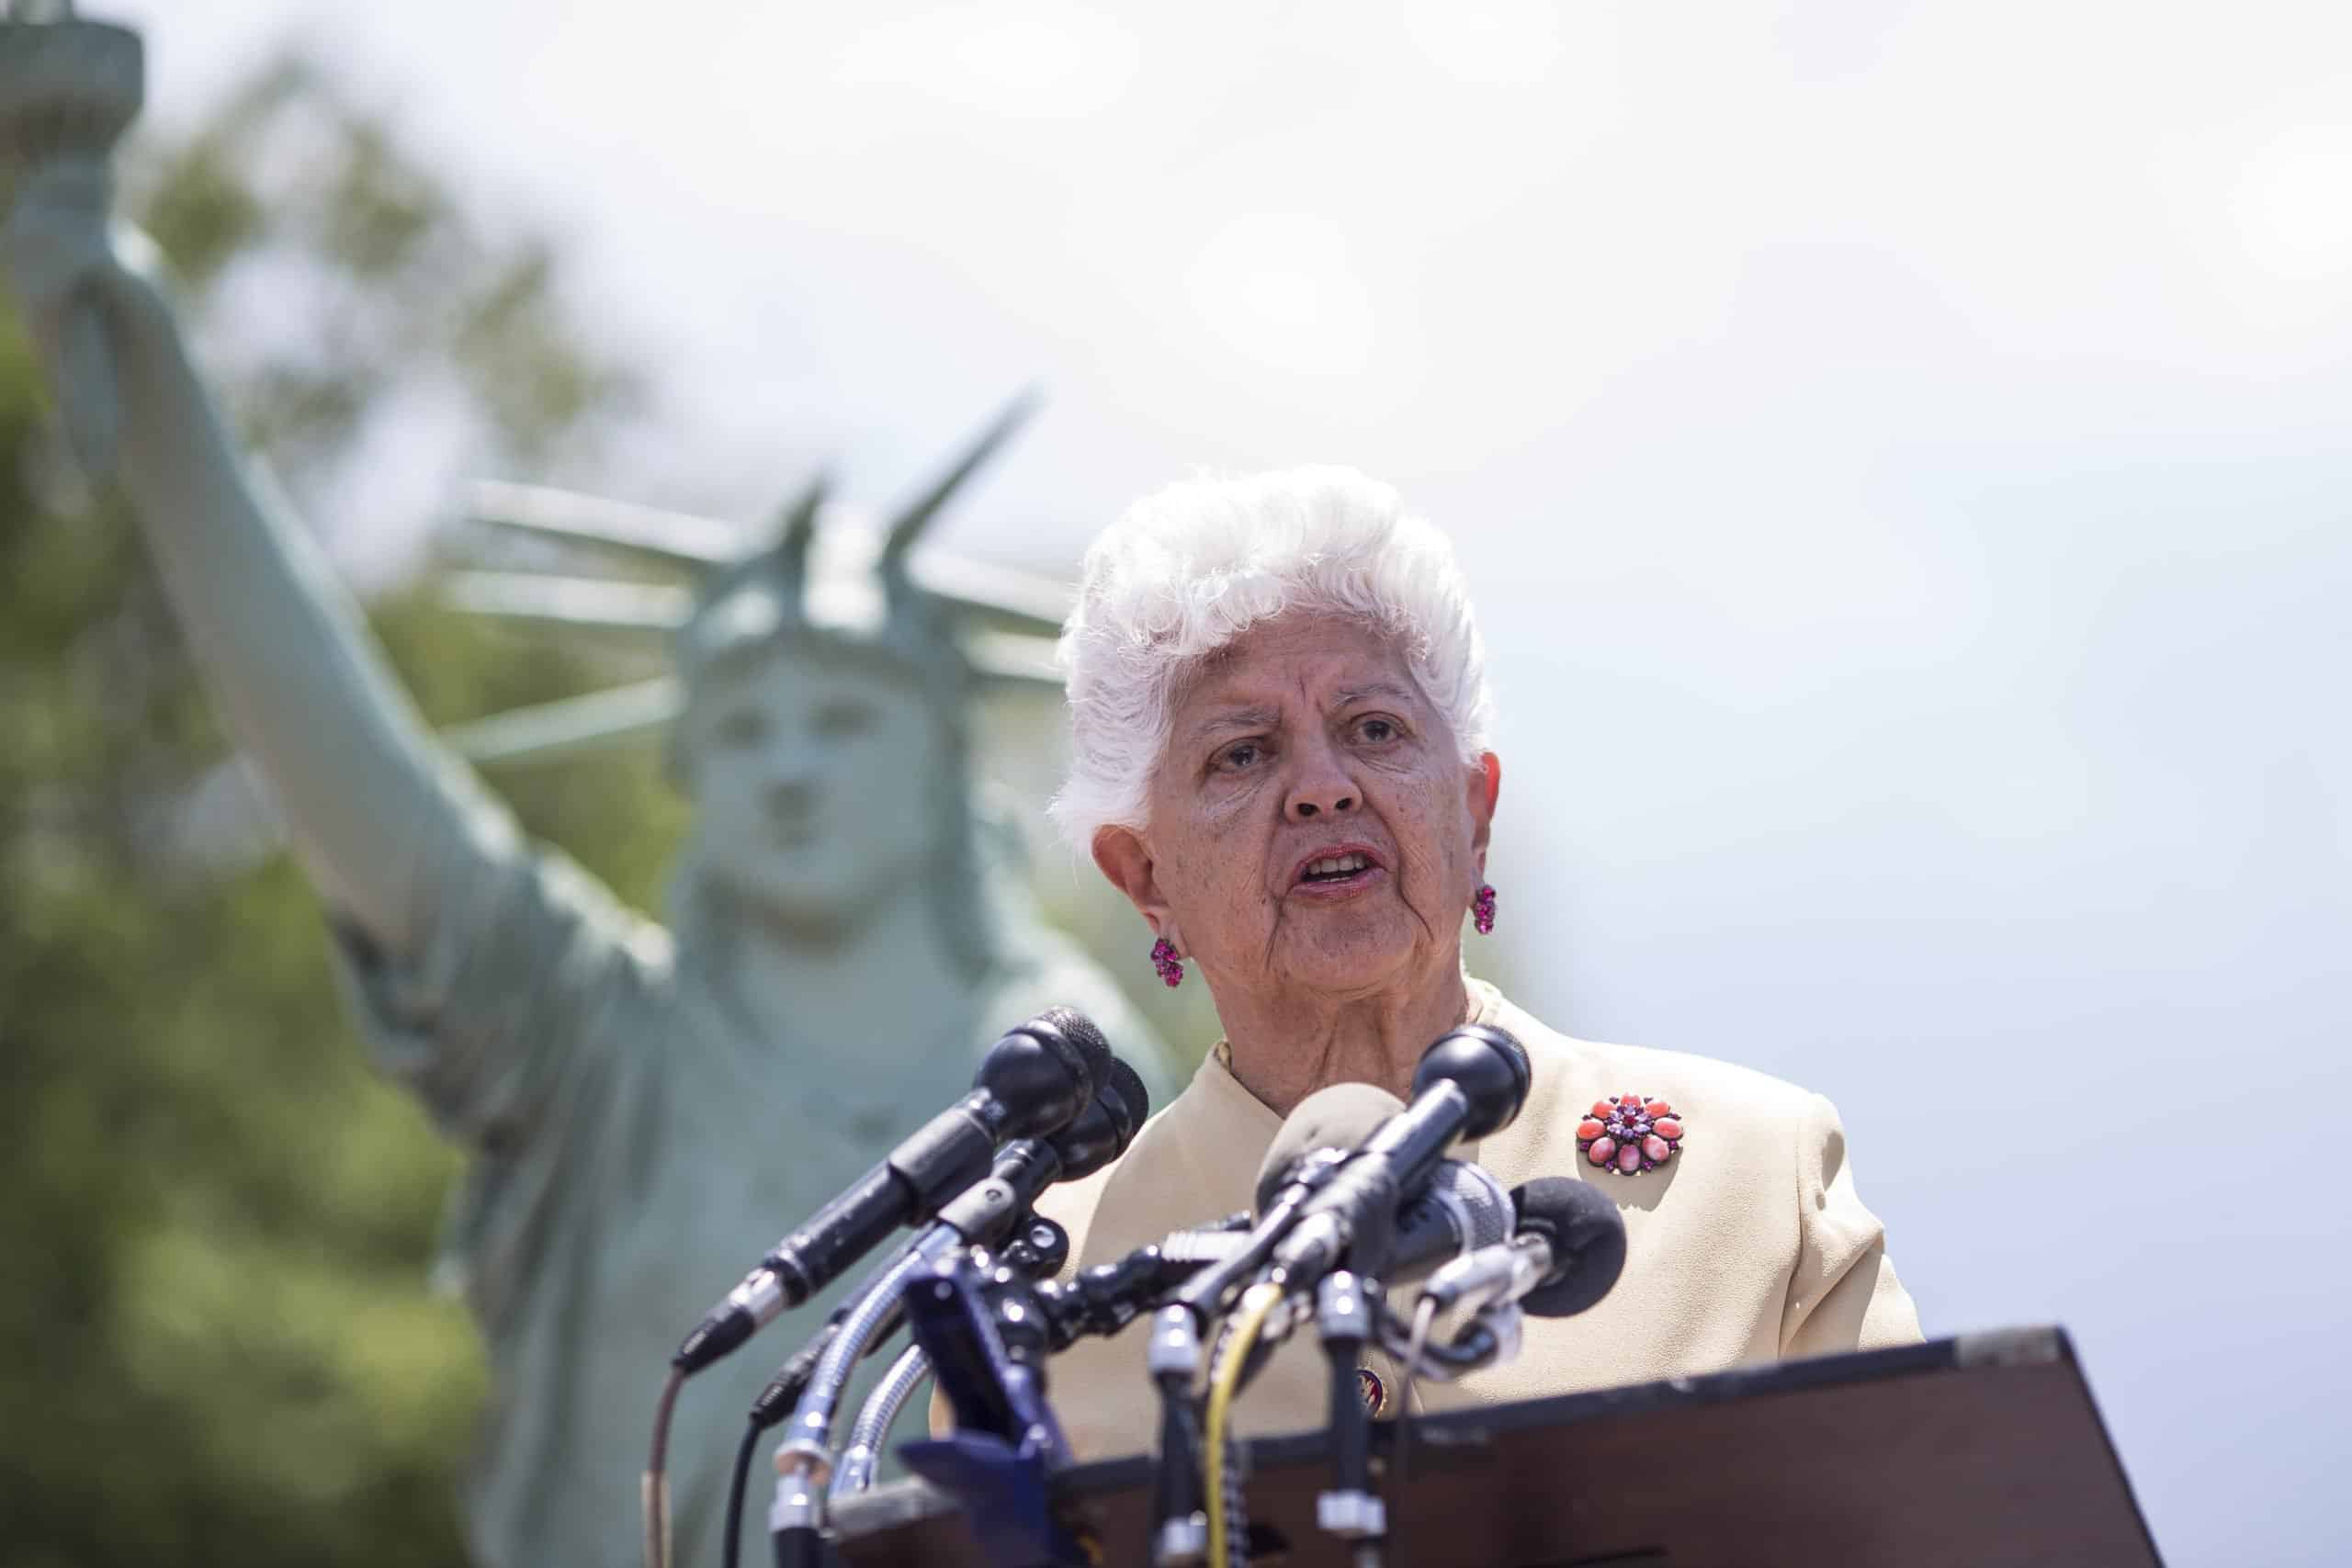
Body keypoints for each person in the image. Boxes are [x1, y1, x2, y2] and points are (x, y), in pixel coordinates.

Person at [0, 41, 1171, 1568]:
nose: (792, 763)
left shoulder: (1083, 1092)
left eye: (844, 716)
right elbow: (346, 765)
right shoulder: (597, 1052)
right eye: (742, 724)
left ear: (947, 754)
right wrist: (143, 343)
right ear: (686, 768)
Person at [1030, 468, 1923, 1460]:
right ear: (1143, 875)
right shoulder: (1050, 1289)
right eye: (1242, 752)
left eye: (1376, 729)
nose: (1323, 789)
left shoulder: (1751, 1175)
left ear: (1474, 812)